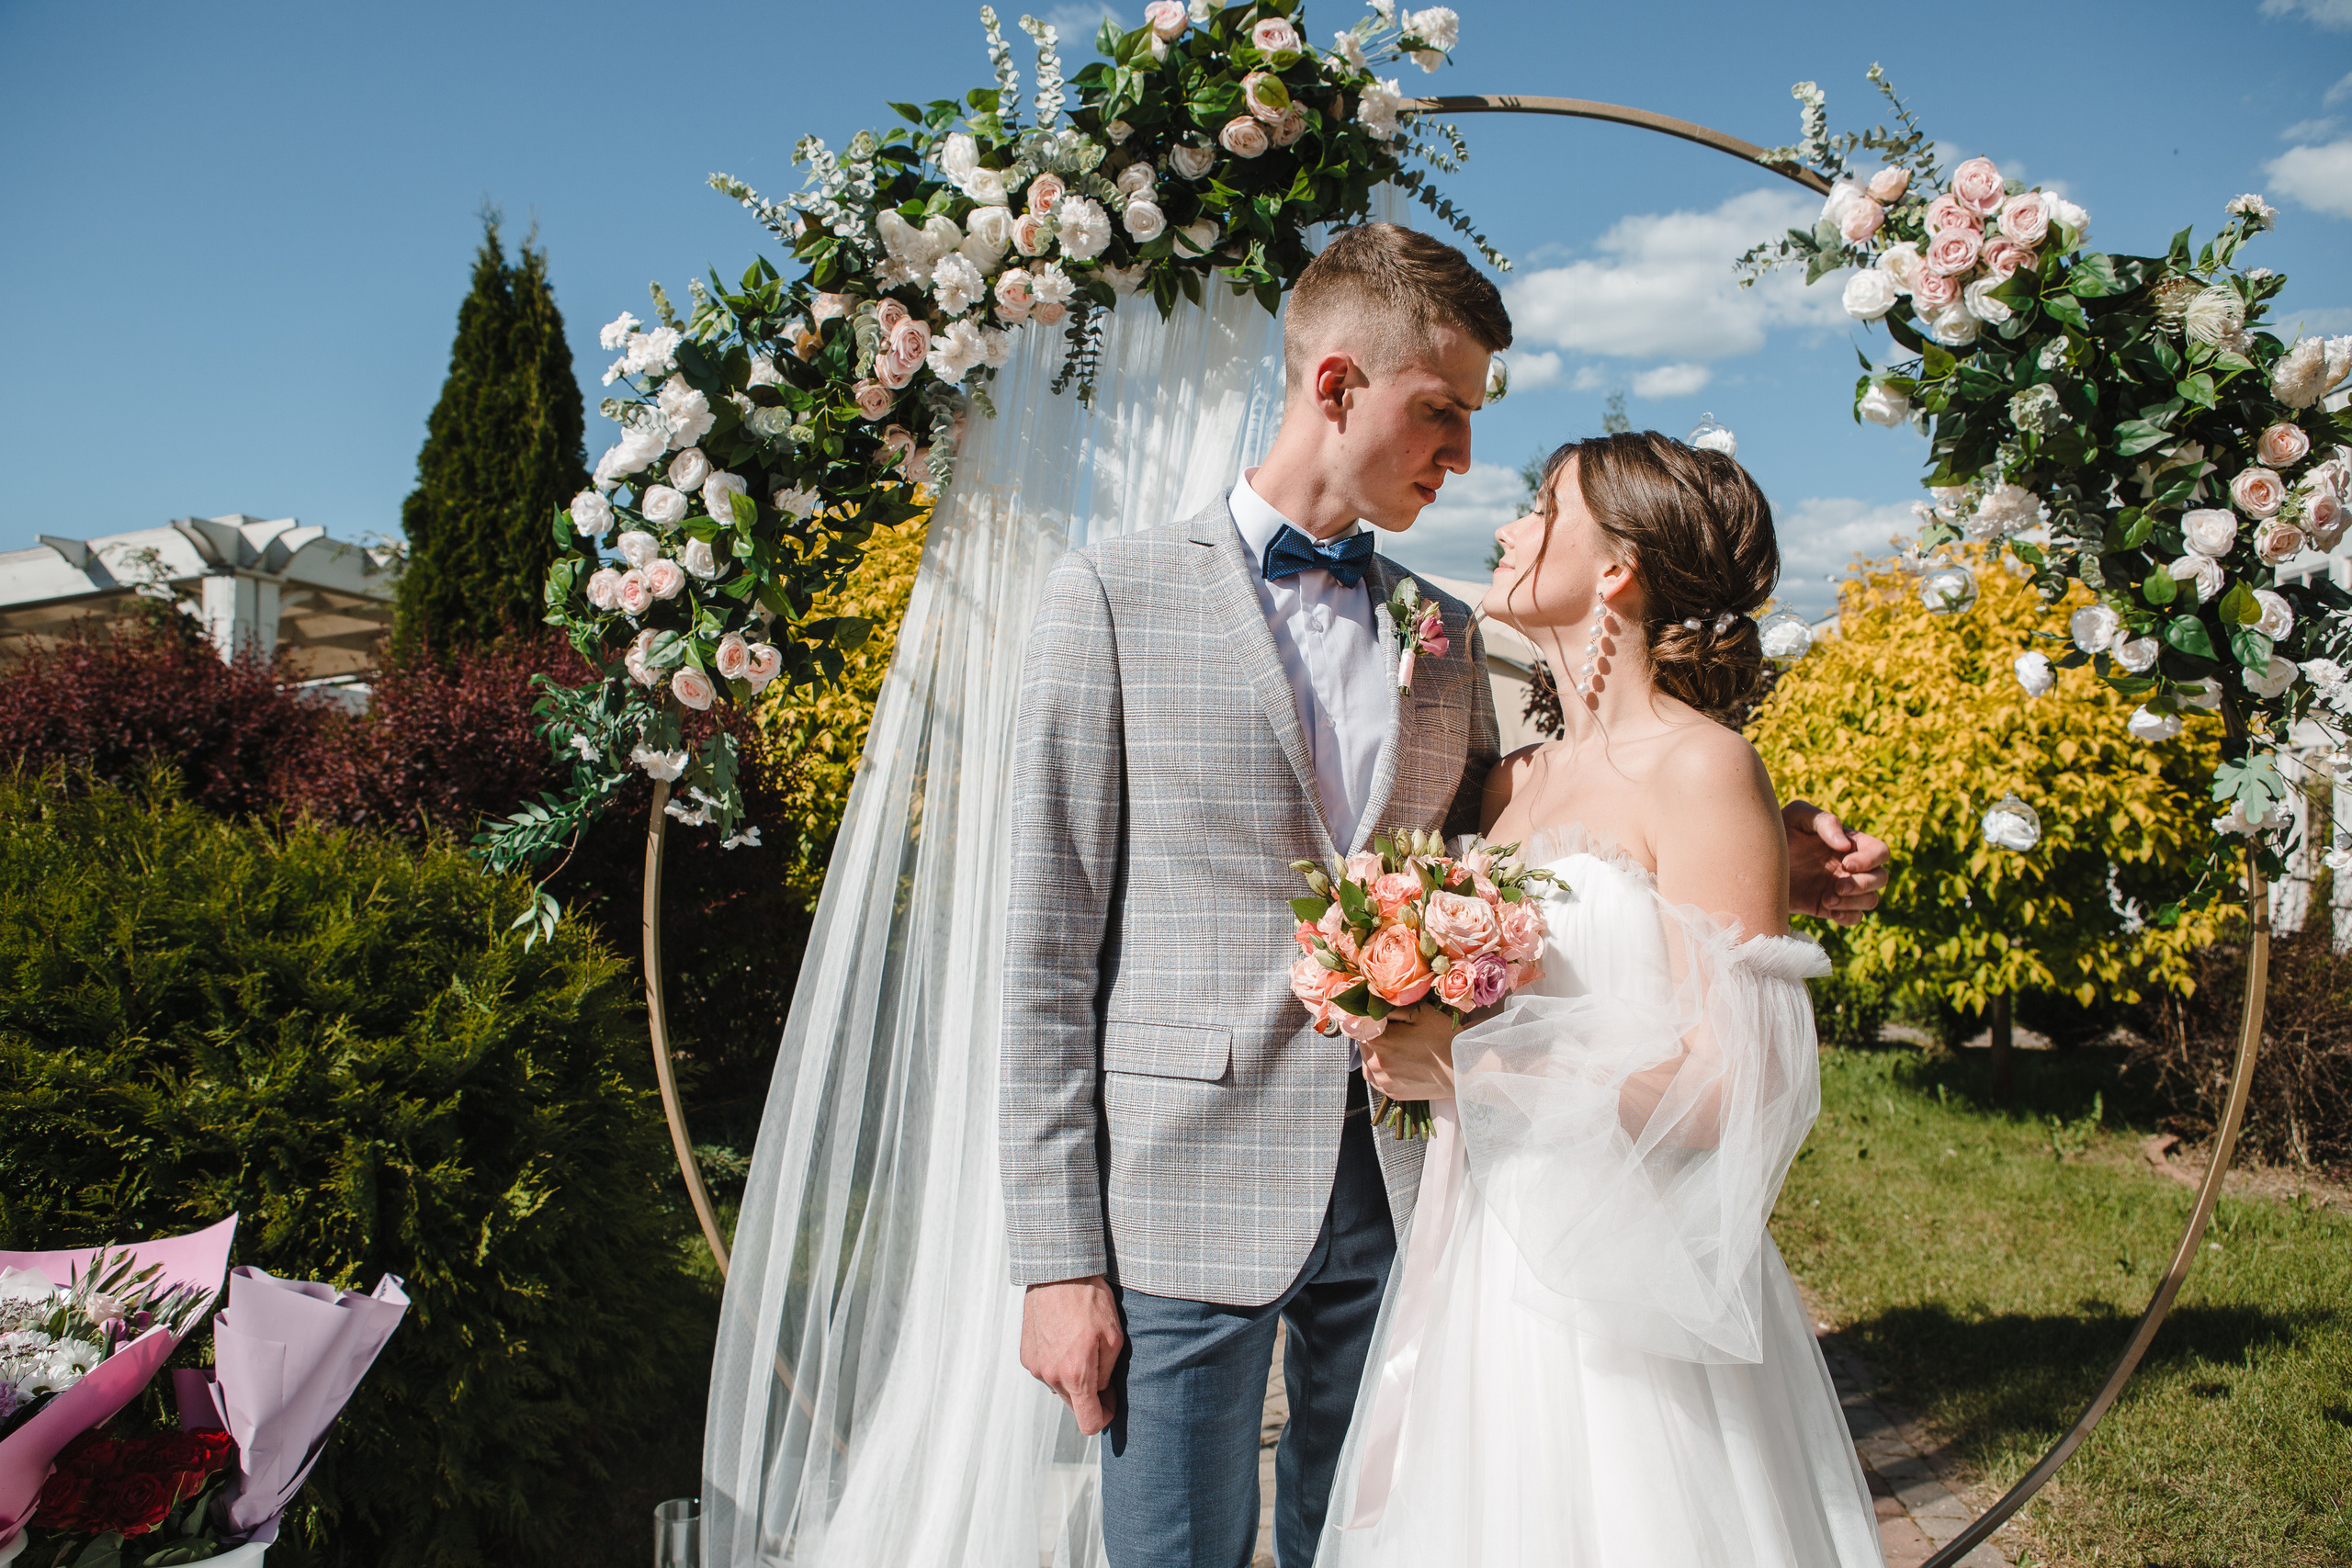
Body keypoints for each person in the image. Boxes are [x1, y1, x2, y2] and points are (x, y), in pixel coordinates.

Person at [1001, 225, 1891, 1568]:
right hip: (1182, 1194)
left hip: (1423, 1202)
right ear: (1339, 385)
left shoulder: (1446, 633)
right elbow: (1042, 950)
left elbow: (1575, 847)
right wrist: (1057, 1255)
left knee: (1373, 1536)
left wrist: (1777, 840)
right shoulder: (1110, 596)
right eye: (1442, 413)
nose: (1465, 460)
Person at [1315, 431, 1884, 1566]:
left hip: (1631, 1290)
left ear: (1617, 567)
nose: (1511, 528)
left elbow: (1740, 1085)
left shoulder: (1706, 766)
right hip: (1484, 1259)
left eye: (1541, 507)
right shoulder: (1509, 780)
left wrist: (1467, 1069)